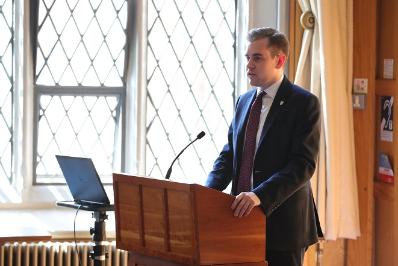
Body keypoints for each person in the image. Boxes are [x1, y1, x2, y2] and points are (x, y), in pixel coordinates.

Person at [206, 27, 323, 266]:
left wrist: (258, 196)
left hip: (282, 225)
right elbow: (230, 155)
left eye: (257, 58)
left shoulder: (304, 103)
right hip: (240, 221)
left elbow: (302, 165)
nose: (249, 65)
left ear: (279, 60)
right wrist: (206, 193)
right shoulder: (244, 101)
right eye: (248, 58)